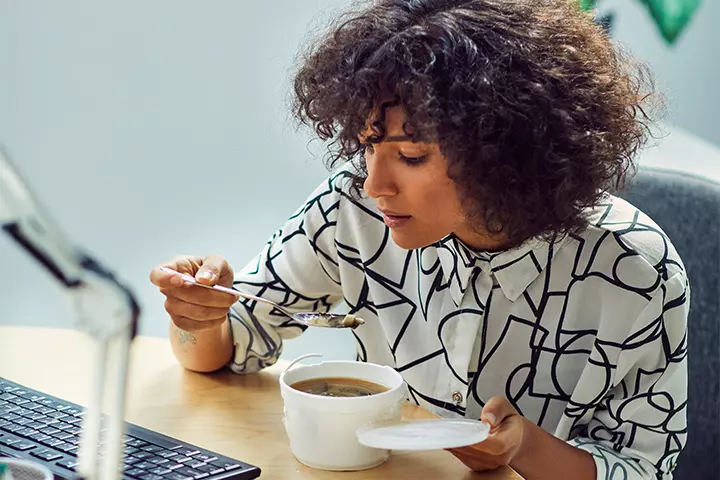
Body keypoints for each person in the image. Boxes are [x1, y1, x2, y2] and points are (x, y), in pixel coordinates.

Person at [150, 1, 689, 478]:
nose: (376, 184)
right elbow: (226, 351)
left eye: (411, 157)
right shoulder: (353, 210)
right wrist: (200, 316)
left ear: (503, 150)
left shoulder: (634, 271)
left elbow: (643, 467)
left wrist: (524, 447)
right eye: (367, 148)